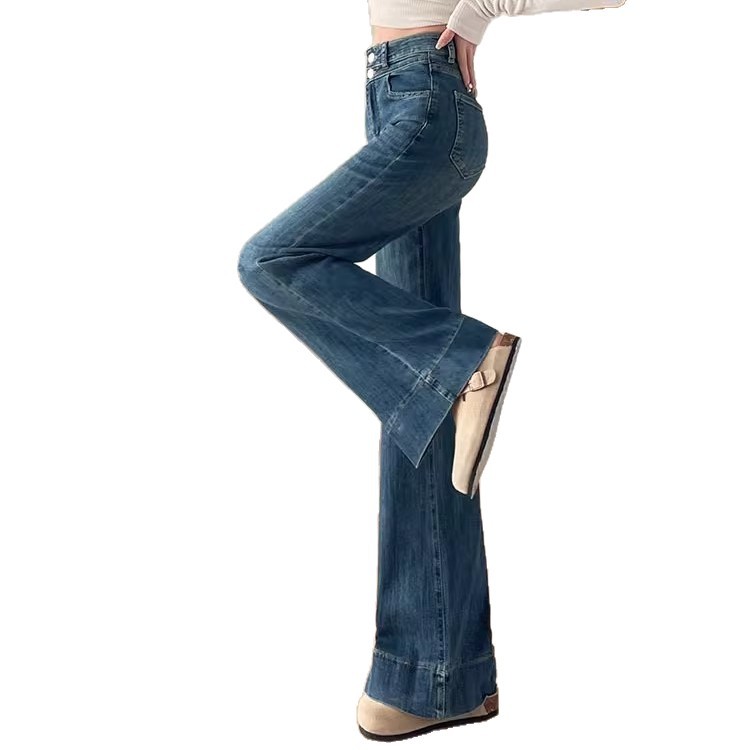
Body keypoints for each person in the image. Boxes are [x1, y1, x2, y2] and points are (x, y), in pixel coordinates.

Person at [237, 0, 626, 741]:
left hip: (425, 104)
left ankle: (465, 357)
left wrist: (480, 8)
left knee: (273, 261)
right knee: (421, 410)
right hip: (400, 99)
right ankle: (441, 677)